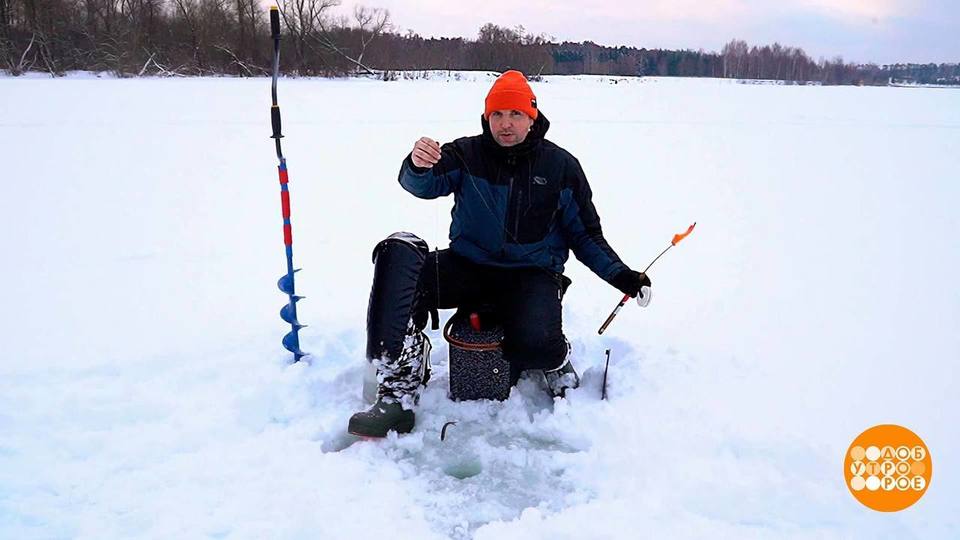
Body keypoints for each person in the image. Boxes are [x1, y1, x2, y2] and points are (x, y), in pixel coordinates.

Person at [348, 70, 650, 437]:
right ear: (486, 118)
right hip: (466, 266)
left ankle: (555, 359)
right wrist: (416, 164)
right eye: (497, 115)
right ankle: (400, 386)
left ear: (532, 117)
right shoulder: (465, 153)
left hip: (531, 274)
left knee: (536, 347)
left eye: (515, 114)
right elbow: (421, 184)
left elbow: (585, 235)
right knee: (398, 256)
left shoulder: (561, 167)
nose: (505, 124)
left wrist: (622, 276)